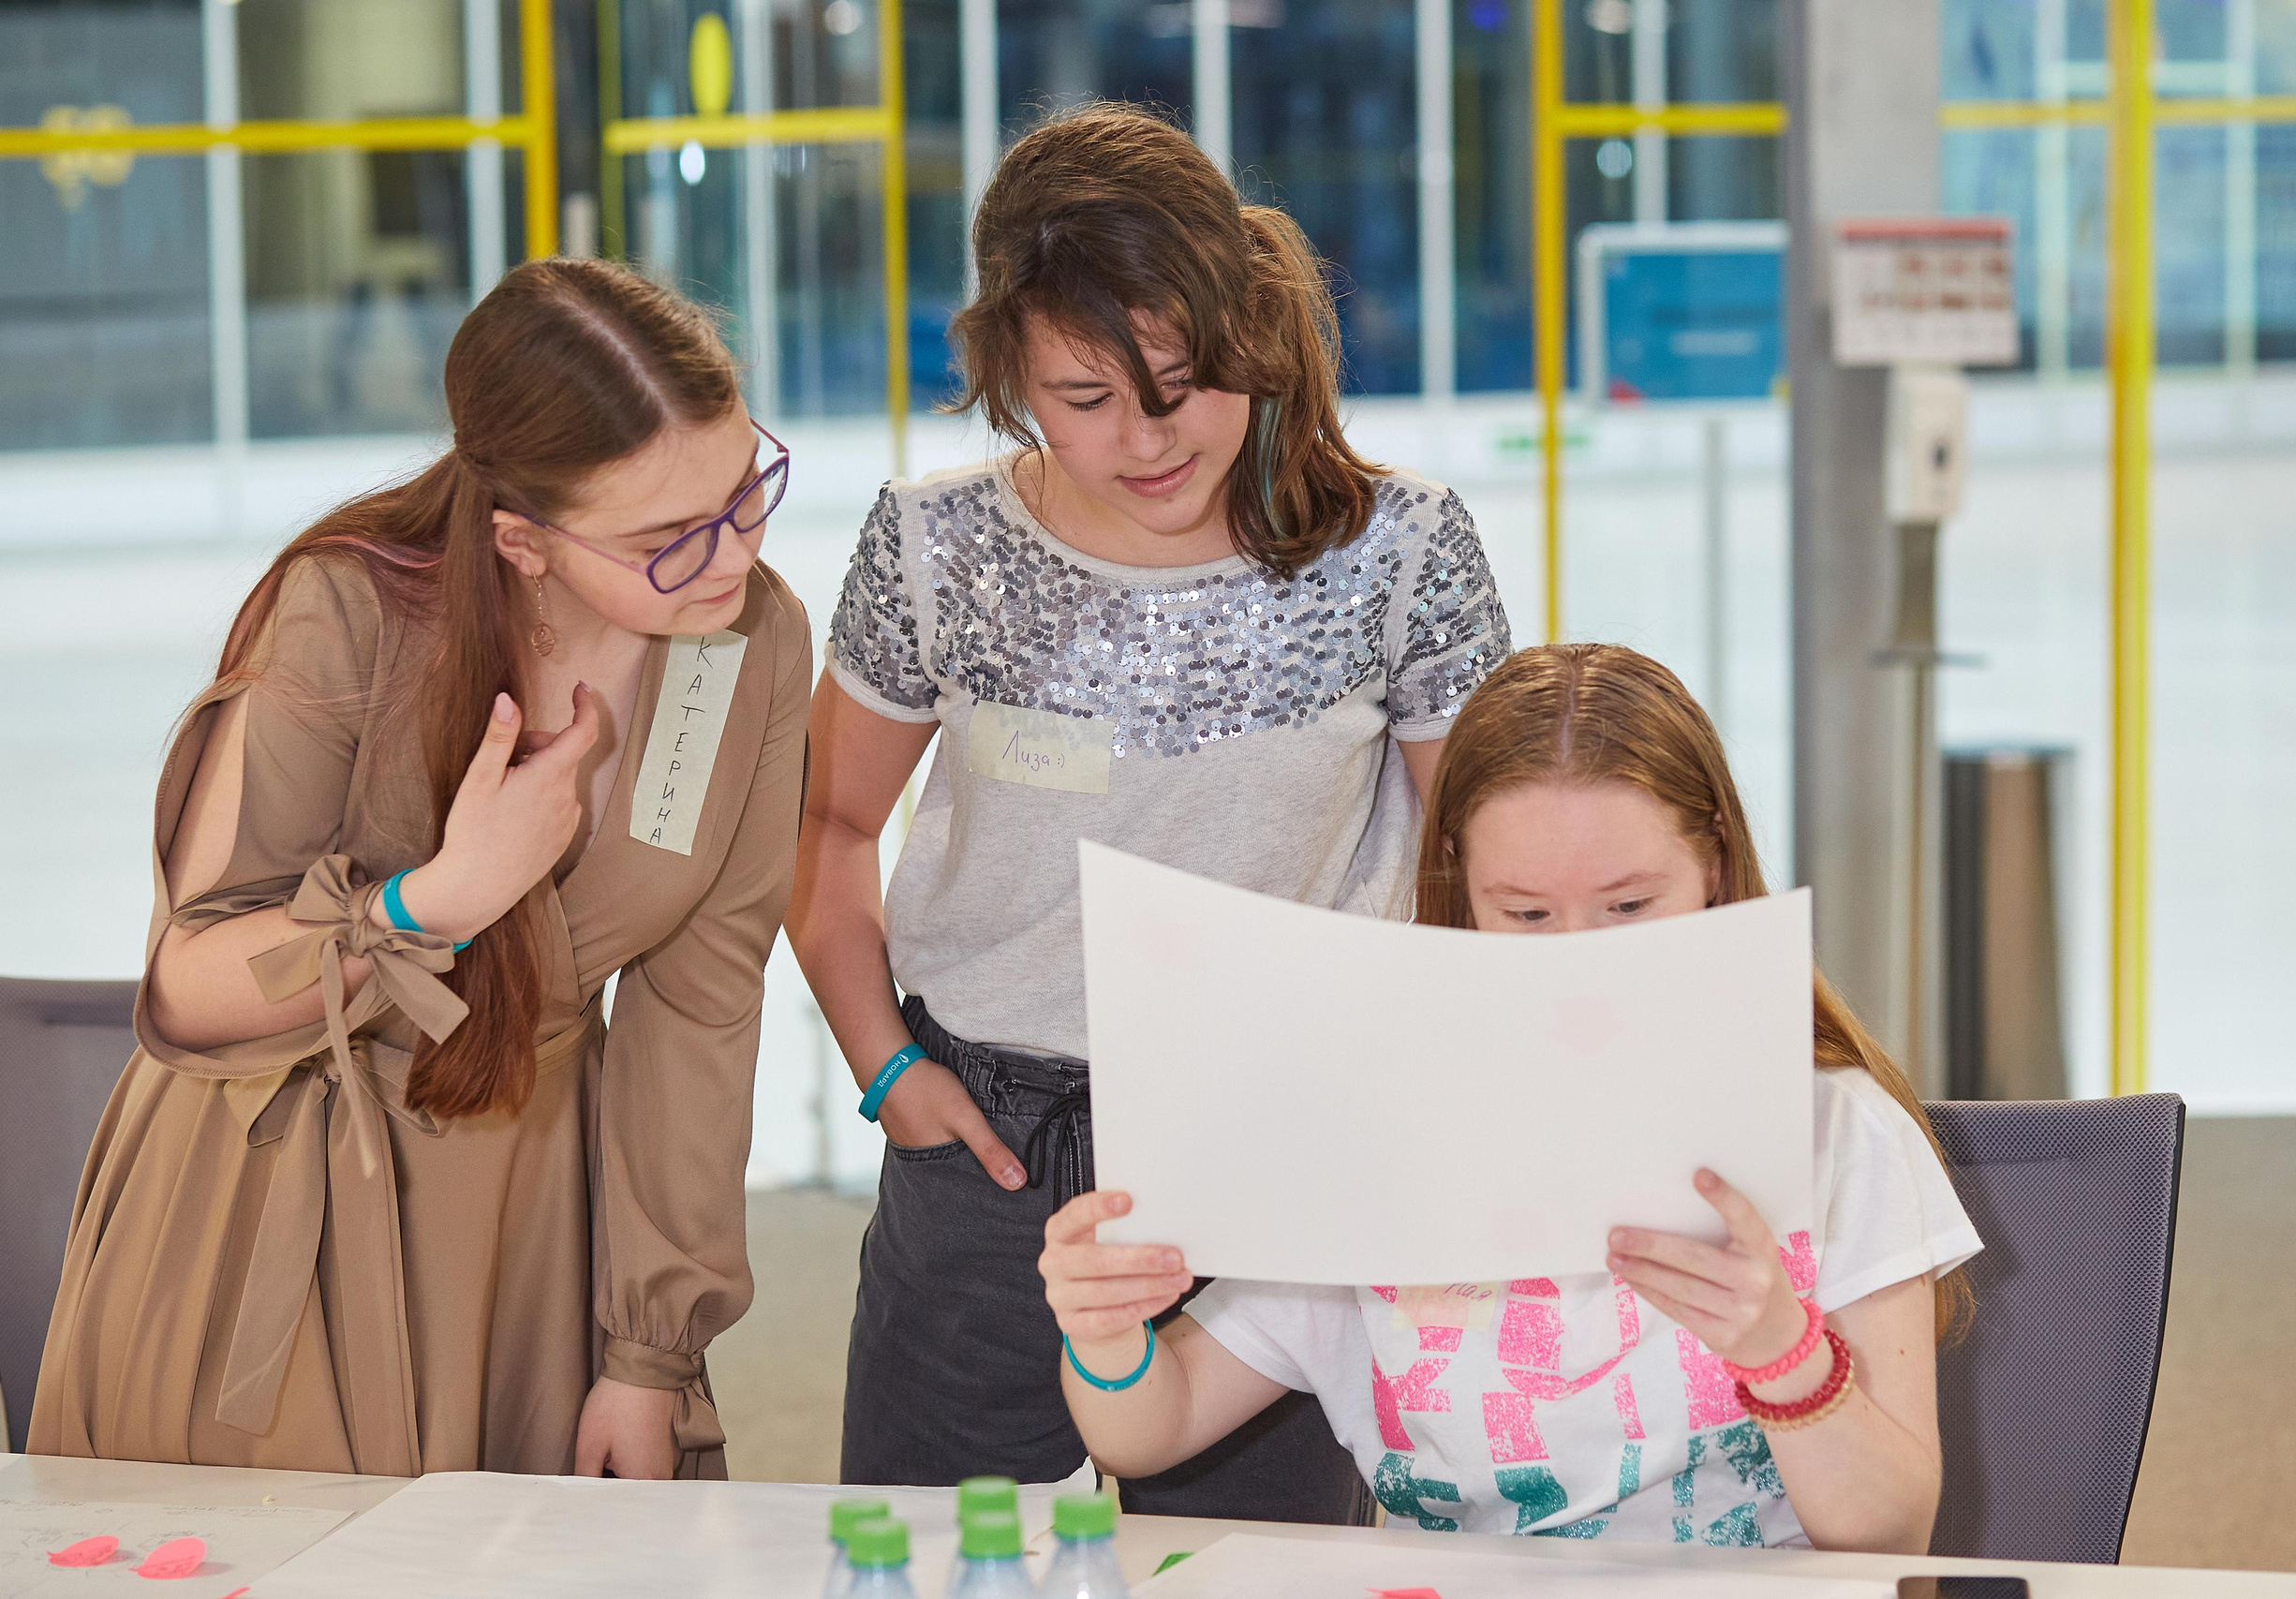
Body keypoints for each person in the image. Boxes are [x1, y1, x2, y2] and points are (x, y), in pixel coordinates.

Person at [787, 103, 1510, 1519]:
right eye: (1083, 395)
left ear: (1252, 328)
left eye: (1183, 380)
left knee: (1262, 1561)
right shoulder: (935, 548)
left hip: (1277, 1134)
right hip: (984, 1134)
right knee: (942, 1550)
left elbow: (1478, 865)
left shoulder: (1399, 549)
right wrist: (886, 1072)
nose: (1147, 438)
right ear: (1008, 374)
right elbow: (823, 834)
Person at [32, 258, 814, 1481]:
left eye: (744, 491)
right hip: (279, 1193)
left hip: (527, 1212)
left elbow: (702, 1005)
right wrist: (432, 902)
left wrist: (645, 1351)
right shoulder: (344, 611)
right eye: (666, 537)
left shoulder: (750, 641)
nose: (728, 556)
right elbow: (187, 984)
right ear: (524, 540)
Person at [1036, 644, 1982, 1551]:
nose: (1579, 959)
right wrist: (1105, 1331)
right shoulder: (1374, 1129)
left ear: (1714, 868)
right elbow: (1148, 1429)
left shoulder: (1837, 1131)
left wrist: (1781, 1350)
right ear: (1463, 887)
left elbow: (1891, 1534)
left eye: (1628, 905)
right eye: (1526, 913)